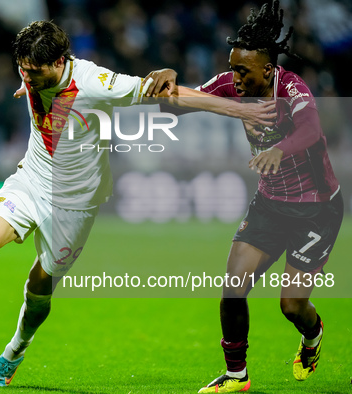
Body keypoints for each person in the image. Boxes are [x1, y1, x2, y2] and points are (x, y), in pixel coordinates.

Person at [0, 20, 276, 388]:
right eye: (22, 70)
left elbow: (168, 95)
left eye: (34, 73)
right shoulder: (33, 69)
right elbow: (32, 77)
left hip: (77, 203)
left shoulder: (96, 83)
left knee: (41, 284)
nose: (27, 77)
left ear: (60, 62)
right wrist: (28, 82)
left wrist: (241, 110)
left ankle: (15, 350)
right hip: (31, 181)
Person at [147, 1, 343, 392]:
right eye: (232, 67)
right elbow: (180, 103)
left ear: (267, 70)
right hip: (270, 204)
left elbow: (310, 130)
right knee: (233, 286)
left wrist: (279, 150)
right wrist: (167, 81)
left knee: (291, 306)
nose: (234, 78)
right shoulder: (229, 84)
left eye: (242, 70)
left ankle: (313, 334)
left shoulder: (291, 88)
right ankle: (237, 375)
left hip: (316, 209)